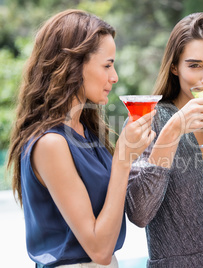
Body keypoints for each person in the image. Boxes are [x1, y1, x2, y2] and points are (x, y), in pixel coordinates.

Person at [7, 9, 155, 267]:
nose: (115, 76)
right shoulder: (50, 144)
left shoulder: (87, 133)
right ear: (73, 66)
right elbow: (99, 250)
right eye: (107, 65)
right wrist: (122, 159)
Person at [125, 12, 203, 267]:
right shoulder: (150, 120)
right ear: (174, 67)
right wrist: (172, 131)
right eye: (195, 65)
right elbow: (139, 213)